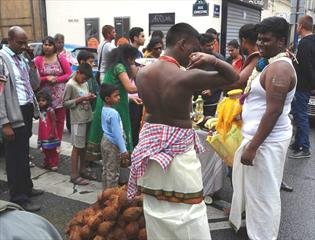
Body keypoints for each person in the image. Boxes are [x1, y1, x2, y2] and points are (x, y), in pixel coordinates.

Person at [127, 22, 239, 240]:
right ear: (182, 43)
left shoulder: (142, 74)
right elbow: (233, 78)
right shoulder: (184, 77)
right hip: (178, 154)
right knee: (188, 211)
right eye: (193, 49)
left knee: (156, 209)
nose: (195, 54)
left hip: (150, 147)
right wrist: (213, 59)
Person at [229, 17, 297, 240]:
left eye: (265, 40)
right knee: (255, 193)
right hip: (257, 138)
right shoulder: (269, 62)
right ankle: (253, 230)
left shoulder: (280, 69)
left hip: (265, 143)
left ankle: (263, 236)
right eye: (258, 39)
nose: (260, 44)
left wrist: (253, 146)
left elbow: (273, 111)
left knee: (264, 195)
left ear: (280, 41)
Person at [0, 26, 44, 212]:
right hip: (12, 113)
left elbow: (35, 84)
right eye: (20, 42)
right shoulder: (2, 60)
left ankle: (27, 187)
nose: (24, 45)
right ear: (9, 40)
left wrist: (32, 61)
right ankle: (18, 197)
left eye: (25, 42)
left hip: (25, 110)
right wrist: (5, 122)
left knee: (23, 152)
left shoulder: (21, 58)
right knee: (14, 157)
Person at [87, 44, 138, 162]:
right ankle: (119, 160)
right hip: (115, 105)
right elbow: (130, 88)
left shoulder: (113, 66)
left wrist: (130, 98)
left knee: (106, 130)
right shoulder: (120, 67)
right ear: (128, 58)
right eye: (132, 59)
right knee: (118, 130)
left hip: (108, 102)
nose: (133, 62)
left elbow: (117, 87)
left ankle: (108, 161)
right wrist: (145, 81)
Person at [34, 36, 72, 147]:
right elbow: (34, 78)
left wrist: (57, 79)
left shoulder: (61, 58)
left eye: (50, 44)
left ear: (54, 46)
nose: (47, 47)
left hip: (60, 96)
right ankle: (46, 145)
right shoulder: (38, 60)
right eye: (45, 44)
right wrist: (46, 78)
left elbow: (69, 74)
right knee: (46, 121)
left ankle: (57, 144)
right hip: (44, 97)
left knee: (59, 122)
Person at [63, 63, 96, 185]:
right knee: (77, 147)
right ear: (78, 72)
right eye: (84, 77)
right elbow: (65, 103)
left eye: (87, 79)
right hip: (77, 120)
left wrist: (90, 97)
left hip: (87, 117)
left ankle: (82, 169)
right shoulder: (70, 85)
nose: (85, 80)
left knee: (84, 146)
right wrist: (81, 99)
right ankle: (74, 174)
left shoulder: (85, 83)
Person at [289, 15, 315, 159]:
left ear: (301, 26)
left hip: (302, 86)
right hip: (305, 85)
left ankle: (304, 148)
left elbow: (307, 66)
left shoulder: (305, 43)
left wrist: (312, 84)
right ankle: (298, 143)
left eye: (298, 25)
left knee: (301, 115)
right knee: (299, 114)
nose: (297, 28)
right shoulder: (312, 41)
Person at [99, 83, 129, 189]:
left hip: (105, 140)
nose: (119, 98)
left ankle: (105, 194)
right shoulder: (113, 113)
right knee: (113, 172)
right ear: (107, 98)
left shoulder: (104, 109)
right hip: (112, 143)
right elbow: (117, 133)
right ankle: (111, 198)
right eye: (116, 96)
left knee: (106, 169)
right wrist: (123, 149)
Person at [129, 27, 146, 147]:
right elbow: (132, 73)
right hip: (130, 92)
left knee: (138, 122)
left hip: (139, 90)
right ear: (135, 38)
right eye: (142, 36)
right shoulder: (129, 53)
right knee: (132, 123)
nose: (144, 39)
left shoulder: (140, 53)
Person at [37, 89, 60, 171]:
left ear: (48, 101)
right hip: (43, 134)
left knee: (52, 149)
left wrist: (52, 133)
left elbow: (54, 122)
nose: (41, 102)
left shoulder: (50, 110)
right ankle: (47, 161)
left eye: (43, 100)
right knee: (45, 149)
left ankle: (53, 163)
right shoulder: (41, 111)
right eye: (39, 101)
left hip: (50, 133)